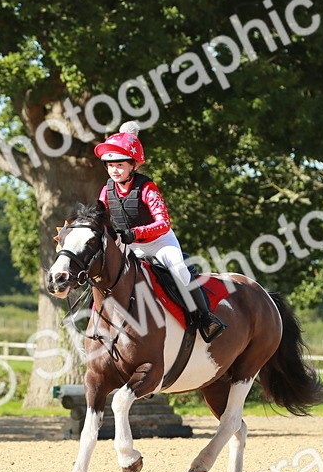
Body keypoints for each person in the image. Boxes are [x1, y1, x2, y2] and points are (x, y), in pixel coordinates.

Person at [93, 122, 226, 342]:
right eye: (109, 165)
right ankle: (100, 321)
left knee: (180, 271)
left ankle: (206, 318)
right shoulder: (106, 190)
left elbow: (163, 223)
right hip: (130, 246)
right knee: (103, 273)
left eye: (119, 165)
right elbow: (100, 217)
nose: (114, 171)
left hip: (160, 243)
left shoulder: (147, 188)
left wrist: (135, 234)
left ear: (132, 165)